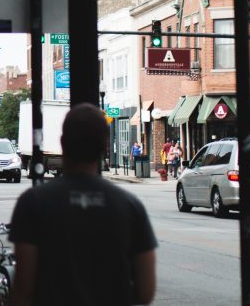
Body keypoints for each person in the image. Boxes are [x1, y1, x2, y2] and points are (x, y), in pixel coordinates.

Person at [10, 104, 157, 306]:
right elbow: (146, 291)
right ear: (104, 146)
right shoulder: (130, 206)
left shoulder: (33, 203)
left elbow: (23, 289)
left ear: (63, 142)